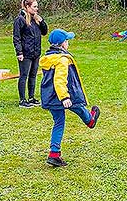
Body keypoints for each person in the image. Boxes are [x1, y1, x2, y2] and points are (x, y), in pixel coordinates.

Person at [39, 29, 100, 167]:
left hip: (50, 96)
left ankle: (54, 154)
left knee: (59, 122)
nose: (68, 43)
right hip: (63, 95)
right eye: (67, 41)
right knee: (77, 106)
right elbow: (59, 80)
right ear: (62, 44)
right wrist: (64, 97)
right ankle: (90, 120)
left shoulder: (48, 58)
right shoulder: (62, 60)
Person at [13, 0, 48, 108]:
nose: (36, 9)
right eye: (34, 7)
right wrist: (19, 52)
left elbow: (44, 32)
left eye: (37, 6)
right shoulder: (20, 19)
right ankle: (22, 100)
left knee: (33, 75)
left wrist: (41, 21)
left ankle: (31, 98)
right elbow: (16, 37)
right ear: (27, 7)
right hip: (25, 53)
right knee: (24, 75)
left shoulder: (35, 19)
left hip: (36, 52)